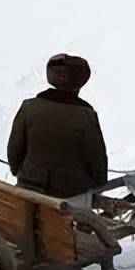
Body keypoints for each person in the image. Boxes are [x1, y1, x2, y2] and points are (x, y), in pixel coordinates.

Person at [7, 53, 108, 199]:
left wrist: (25, 175)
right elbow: (97, 166)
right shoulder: (86, 116)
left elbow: (14, 153)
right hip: (70, 197)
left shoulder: (29, 108)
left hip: (28, 188)